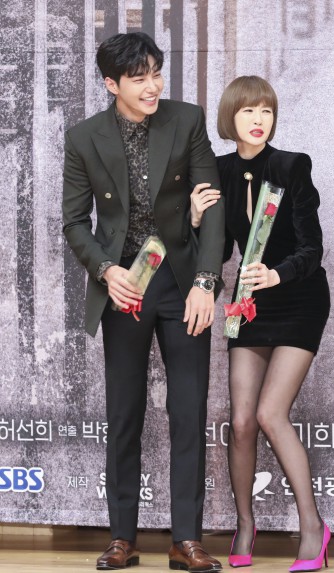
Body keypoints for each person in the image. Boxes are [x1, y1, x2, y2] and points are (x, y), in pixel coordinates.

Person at [63, 32, 225, 572]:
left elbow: (212, 205)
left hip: (181, 280)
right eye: (139, 78)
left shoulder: (187, 119)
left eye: (156, 73)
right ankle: (122, 538)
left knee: (188, 409)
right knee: (124, 411)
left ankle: (187, 541)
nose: (153, 86)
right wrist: (107, 271)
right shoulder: (83, 138)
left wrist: (206, 281)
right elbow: (74, 221)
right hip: (125, 285)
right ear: (112, 84)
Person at [191, 76, 331, 572]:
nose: (258, 119)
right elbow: (220, 252)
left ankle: (312, 527)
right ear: (230, 117)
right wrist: (195, 220)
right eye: (249, 110)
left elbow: (312, 248)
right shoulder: (218, 171)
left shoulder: (292, 166)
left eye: (266, 111)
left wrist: (277, 273)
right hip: (248, 304)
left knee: (272, 413)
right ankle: (245, 524)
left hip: (298, 299)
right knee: (242, 420)